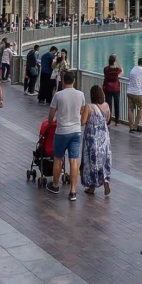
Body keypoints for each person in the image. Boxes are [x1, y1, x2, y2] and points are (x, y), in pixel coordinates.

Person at [48, 70, 86, 199]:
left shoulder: (58, 95)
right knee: (73, 160)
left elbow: (52, 113)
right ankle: (73, 191)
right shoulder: (81, 95)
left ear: (63, 81)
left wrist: (49, 123)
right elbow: (81, 110)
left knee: (58, 158)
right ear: (74, 81)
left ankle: (55, 185)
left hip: (62, 131)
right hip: (76, 131)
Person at [80, 85, 112, 196]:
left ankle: (91, 186)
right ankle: (105, 180)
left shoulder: (89, 107)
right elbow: (107, 119)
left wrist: (81, 113)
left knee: (91, 161)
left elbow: (83, 122)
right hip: (104, 137)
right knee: (103, 160)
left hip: (92, 137)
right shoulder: (106, 105)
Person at [127, 57, 142, 131]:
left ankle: (131, 127)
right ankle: (135, 126)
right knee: (141, 108)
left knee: (130, 109)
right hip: (138, 93)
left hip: (130, 91)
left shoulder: (133, 69)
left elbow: (130, 79)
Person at [102, 54, 123, 124]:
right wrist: (117, 61)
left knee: (108, 105)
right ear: (114, 62)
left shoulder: (106, 69)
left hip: (107, 89)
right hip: (116, 89)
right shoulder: (117, 70)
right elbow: (122, 71)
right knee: (117, 104)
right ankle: (117, 121)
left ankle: (108, 121)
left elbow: (105, 75)